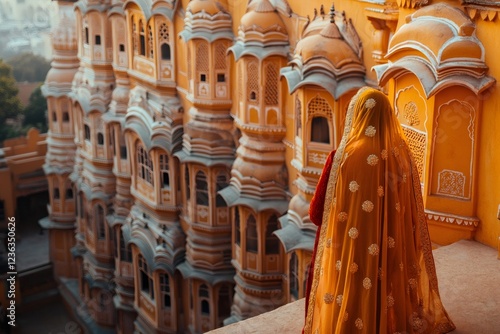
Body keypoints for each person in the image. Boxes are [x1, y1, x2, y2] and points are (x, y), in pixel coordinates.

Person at [303, 87, 455, 333]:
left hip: (352, 255)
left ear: (358, 115)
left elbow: (316, 214)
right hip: (392, 253)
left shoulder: (342, 158)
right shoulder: (402, 155)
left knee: (355, 294)